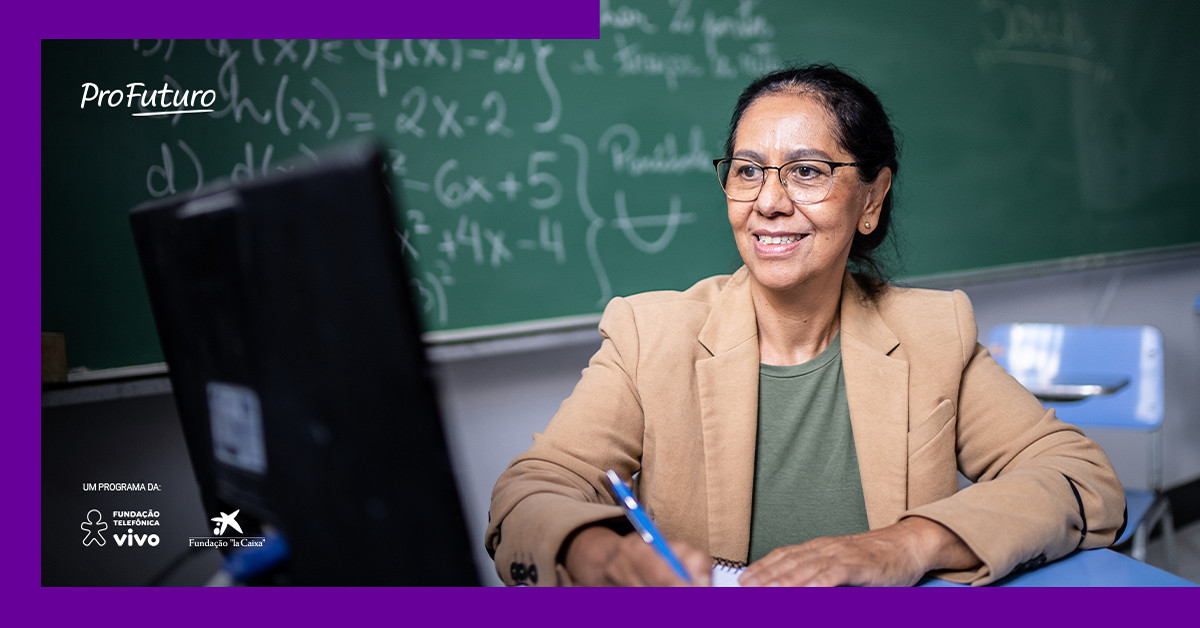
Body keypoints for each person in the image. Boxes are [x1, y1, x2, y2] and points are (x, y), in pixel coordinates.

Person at [485, 64, 1125, 587]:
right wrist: (610, 558)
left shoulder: (934, 332)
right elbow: (528, 494)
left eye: (807, 171)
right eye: (747, 171)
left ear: (871, 200)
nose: (768, 202)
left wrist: (907, 545)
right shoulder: (649, 335)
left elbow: (1081, 479)